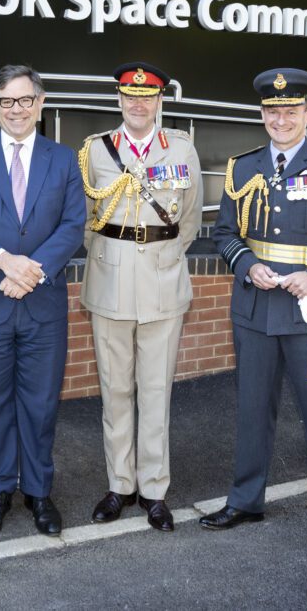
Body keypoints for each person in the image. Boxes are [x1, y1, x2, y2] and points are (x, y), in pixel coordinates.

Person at [204, 68, 307, 562]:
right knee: (253, 411)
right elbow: (224, 234)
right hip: (256, 308)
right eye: (272, 111)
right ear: (262, 114)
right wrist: (247, 264)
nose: (281, 119)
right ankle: (246, 500)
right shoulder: (242, 167)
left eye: (291, 111)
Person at [0, 64, 86, 537]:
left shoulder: (63, 159)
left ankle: (39, 493)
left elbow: (72, 226)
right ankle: (0, 488)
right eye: (7, 102)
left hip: (42, 305)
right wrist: (6, 262)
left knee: (42, 403)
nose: (17, 110)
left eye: (26, 100)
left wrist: (32, 271)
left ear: (40, 103)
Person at [78, 63, 203, 532]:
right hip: (108, 282)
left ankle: (154, 490)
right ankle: (120, 485)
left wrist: (160, 257)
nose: (137, 104)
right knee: (114, 391)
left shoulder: (183, 150)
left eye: (146, 97)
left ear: (158, 102)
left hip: (162, 280)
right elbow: (87, 217)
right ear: (119, 100)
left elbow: (188, 219)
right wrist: (112, 256)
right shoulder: (94, 151)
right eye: (129, 97)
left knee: (155, 392)